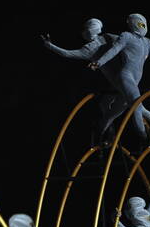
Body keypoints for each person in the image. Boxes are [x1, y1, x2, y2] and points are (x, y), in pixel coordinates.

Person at [88, 13, 150, 145]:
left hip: (134, 80)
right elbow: (114, 50)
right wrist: (99, 62)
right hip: (126, 77)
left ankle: (100, 133)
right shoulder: (126, 36)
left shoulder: (147, 42)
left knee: (129, 110)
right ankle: (147, 138)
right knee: (136, 107)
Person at [41, 18, 131, 147]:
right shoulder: (108, 37)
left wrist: (50, 46)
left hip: (121, 83)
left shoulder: (90, 48)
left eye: (85, 29)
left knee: (131, 109)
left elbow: (67, 54)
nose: (82, 32)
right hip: (122, 80)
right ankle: (111, 136)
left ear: (89, 31)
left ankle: (109, 135)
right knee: (105, 103)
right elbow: (127, 43)